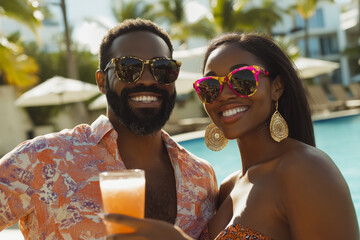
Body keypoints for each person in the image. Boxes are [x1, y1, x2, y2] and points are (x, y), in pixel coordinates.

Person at [103, 32, 359, 240]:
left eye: (243, 79)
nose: (224, 94)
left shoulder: (306, 170)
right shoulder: (224, 189)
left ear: (277, 87)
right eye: (211, 86)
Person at [0, 18, 218, 240]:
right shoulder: (41, 158)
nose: (148, 79)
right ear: (102, 81)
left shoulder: (201, 176)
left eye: (162, 68)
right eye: (129, 68)